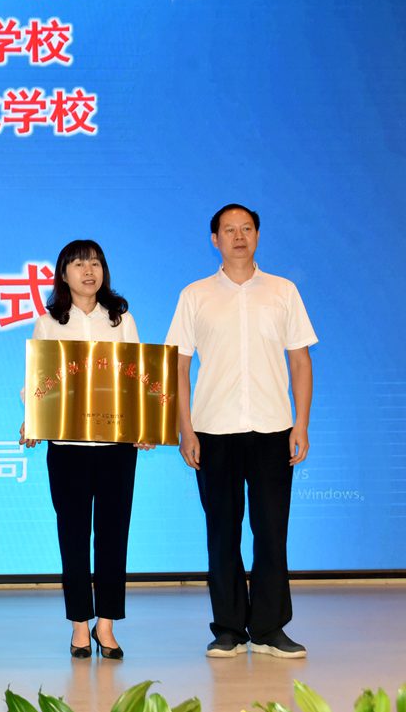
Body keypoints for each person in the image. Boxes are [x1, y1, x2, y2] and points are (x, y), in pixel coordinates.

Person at [166, 204, 317, 659]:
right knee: (222, 532)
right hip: (213, 430)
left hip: (273, 428)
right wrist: (185, 428)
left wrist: (301, 424)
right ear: (214, 239)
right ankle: (229, 628)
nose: (238, 236)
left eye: (246, 228)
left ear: (257, 235)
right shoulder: (195, 295)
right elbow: (178, 366)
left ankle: (270, 628)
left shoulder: (283, 291)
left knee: (271, 531)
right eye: (229, 230)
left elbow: (300, 361)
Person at [20, 240, 153, 660]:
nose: (89, 271)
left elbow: (139, 375)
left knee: (113, 535)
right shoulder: (49, 323)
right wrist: (33, 419)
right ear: (63, 275)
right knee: (73, 536)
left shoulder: (121, 319)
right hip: (67, 449)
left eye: (95, 263)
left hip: (116, 446)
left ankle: (106, 625)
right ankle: (80, 624)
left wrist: (146, 423)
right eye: (78, 264)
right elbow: (37, 381)